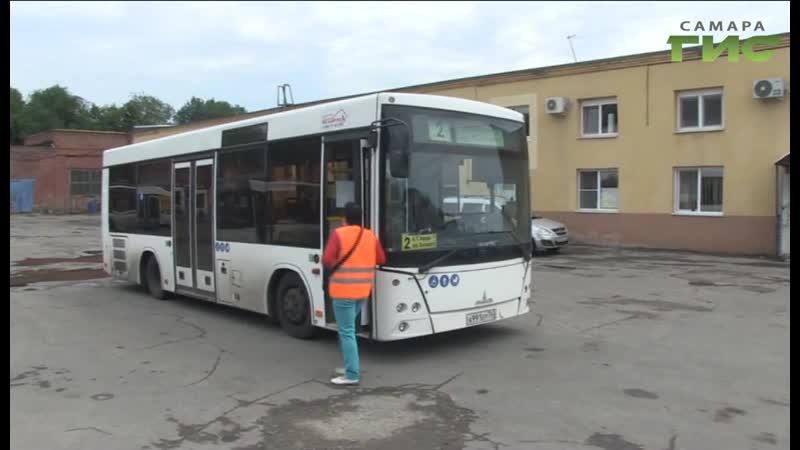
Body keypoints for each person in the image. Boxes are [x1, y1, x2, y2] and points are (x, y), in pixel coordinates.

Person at [322, 202, 386, 385]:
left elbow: (327, 259)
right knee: (348, 331)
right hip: (363, 292)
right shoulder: (369, 235)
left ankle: (351, 374)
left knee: (347, 332)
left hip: (343, 292)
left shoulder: (339, 234)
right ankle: (351, 366)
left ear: (345, 218)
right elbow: (381, 258)